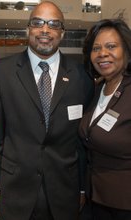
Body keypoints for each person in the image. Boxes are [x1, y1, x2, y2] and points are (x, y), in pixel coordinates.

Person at [0, 1, 94, 220]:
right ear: (28, 29)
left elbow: (82, 142)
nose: (45, 30)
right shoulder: (1, 72)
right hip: (14, 190)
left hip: (65, 191)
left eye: (53, 24)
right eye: (38, 23)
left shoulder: (81, 76)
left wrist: (82, 188)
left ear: (62, 33)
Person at [79, 18, 131, 220]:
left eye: (111, 46)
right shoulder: (97, 89)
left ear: (126, 51)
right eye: (96, 48)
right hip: (97, 201)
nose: (102, 54)